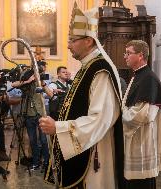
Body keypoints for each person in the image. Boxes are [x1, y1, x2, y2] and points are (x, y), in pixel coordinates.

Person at [39, 3, 124, 189]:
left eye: (72, 40)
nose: (68, 46)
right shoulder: (86, 67)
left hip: (94, 151)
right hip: (85, 145)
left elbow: (101, 118)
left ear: (89, 40)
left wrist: (59, 127)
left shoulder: (100, 70)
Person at [122, 40, 161, 189]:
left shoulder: (149, 78)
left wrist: (121, 116)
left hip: (142, 140)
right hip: (136, 138)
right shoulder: (137, 76)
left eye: (129, 53)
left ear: (140, 55)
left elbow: (145, 114)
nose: (125, 56)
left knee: (141, 182)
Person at [11, 73, 49, 171]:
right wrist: (28, 81)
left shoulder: (41, 82)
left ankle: (46, 163)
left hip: (40, 114)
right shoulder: (25, 84)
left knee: (44, 140)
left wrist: (41, 82)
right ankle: (35, 163)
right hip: (28, 115)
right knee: (33, 141)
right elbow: (13, 85)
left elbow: (50, 94)